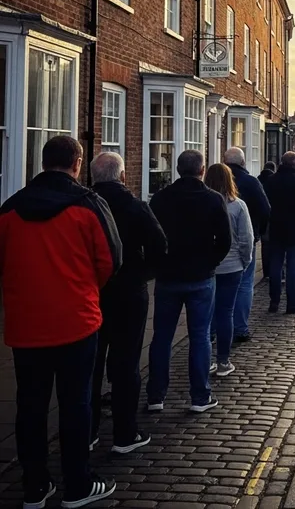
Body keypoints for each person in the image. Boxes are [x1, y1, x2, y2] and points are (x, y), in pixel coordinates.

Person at [0, 136, 121, 508]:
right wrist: (83, 287)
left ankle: (35, 486)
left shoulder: (10, 209)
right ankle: (78, 483)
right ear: (77, 163)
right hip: (76, 322)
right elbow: (111, 261)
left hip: (26, 323)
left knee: (30, 405)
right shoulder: (88, 205)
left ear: (43, 162)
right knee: (76, 404)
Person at [89, 152, 167, 456]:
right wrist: (142, 275)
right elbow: (160, 247)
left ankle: (88, 430)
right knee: (126, 363)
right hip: (129, 295)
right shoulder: (136, 207)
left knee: (91, 364)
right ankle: (124, 433)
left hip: (92, 293)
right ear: (123, 176)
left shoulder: (84, 206)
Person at [147, 149, 232, 414]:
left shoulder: (160, 199)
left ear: (177, 169)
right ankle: (199, 396)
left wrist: (160, 263)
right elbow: (225, 241)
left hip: (168, 278)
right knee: (200, 337)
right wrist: (210, 262)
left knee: (161, 337)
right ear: (202, 170)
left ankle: (155, 396)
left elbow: (151, 239)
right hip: (200, 278)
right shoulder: (213, 199)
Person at [204, 164, 253, 377]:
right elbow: (246, 239)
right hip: (232, 266)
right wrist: (246, 260)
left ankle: (204, 361)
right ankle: (223, 361)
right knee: (226, 312)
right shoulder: (238, 205)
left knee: (205, 316)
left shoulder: (201, 202)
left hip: (207, 267)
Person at [223, 148, 270, 344]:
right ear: (243, 163)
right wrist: (259, 230)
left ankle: (216, 329)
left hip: (217, 241)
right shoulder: (251, 182)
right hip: (245, 239)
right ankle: (240, 328)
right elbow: (266, 208)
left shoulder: (214, 181)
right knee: (244, 284)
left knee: (218, 286)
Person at [263, 151, 295, 314]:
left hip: (276, 229)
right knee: (293, 266)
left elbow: (265, 205)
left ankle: (274, 301)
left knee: (276, 266)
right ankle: (292, 302)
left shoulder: (271, 181)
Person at [257, 161, 277, 281]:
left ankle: (266, 272)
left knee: (265, 246)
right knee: (274, 246)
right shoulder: (274, 181)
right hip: (273, 217)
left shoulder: (258, 180)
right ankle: (273, 271)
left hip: (262, 218)